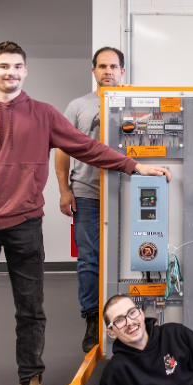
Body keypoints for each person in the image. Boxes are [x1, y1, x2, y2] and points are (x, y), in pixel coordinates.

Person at [0, 41, 170, 385]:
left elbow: (86, 148)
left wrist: (133, 166)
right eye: (4, 66)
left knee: (32, 311)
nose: (11, 72)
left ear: (26, 71)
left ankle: (31, 384)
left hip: (26, 225)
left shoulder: (42, 114)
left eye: (18, 67)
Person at [55, 46, 126, 353]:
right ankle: (92, 317)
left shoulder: (138, 102)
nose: (107, 71)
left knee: (131, 256)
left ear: (122, 71)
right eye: (102, 66)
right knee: (89, 259)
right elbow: (61, 149)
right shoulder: (78, 106)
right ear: (94, 71)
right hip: (87, 193)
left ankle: (129, 314)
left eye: (113, 66)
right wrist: (64, 189)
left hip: (127, 195)